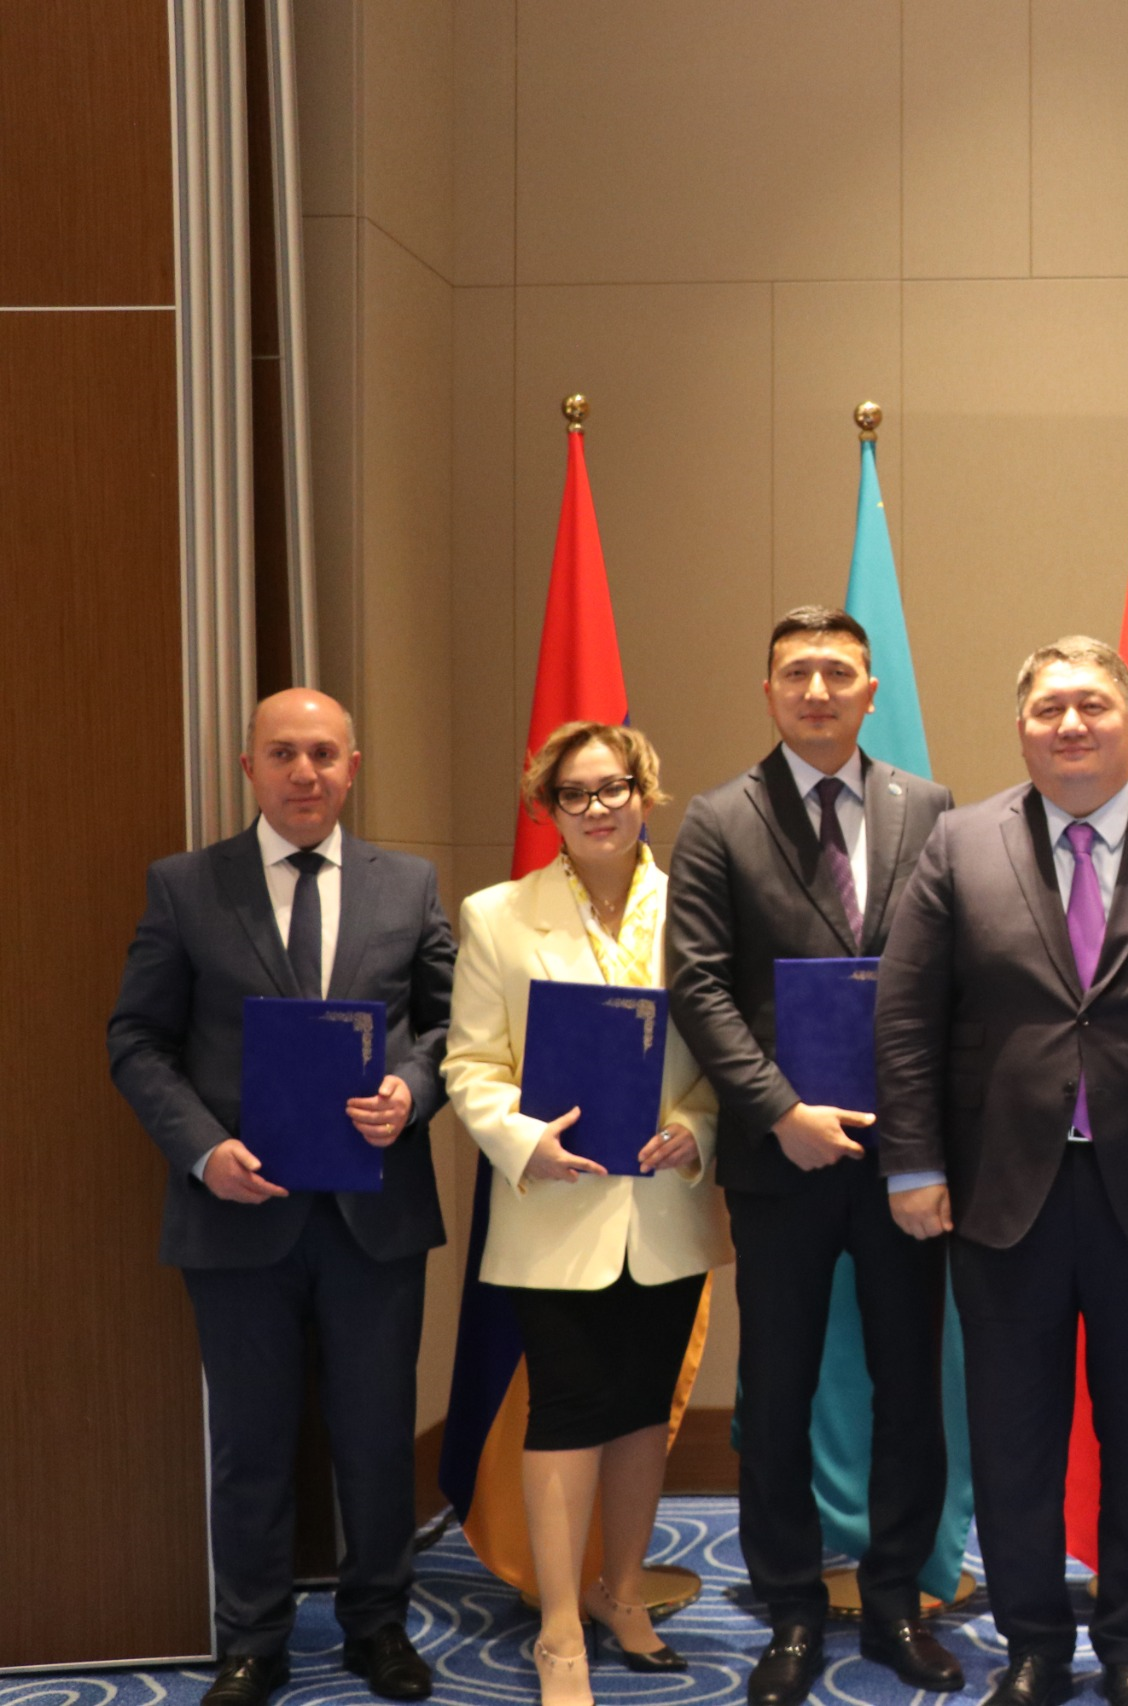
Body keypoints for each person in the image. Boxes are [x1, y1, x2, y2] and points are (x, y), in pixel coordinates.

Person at [873, 636, 1128, 1706]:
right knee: (1012, 1432)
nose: (1072, 724)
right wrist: (911, 1160)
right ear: (1021, 728)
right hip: (999, 1191)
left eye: (1093, 704)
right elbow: (908, 1015)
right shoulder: (958, 844)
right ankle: (1032, 1644)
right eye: (1050, 707)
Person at [107, 690, 453, 1706]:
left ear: (354, 767)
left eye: (324, 754)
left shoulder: (410, 884)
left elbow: (455, 1028)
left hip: (373, 1215)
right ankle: (251, 1641)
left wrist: (413, 1092)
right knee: (250, 1441)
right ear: (248, 767)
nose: (305, 772)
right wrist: (202, 1149)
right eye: (284, 753)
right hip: (236, 1211)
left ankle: (378, 1626)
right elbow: (137, 1039)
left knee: (377, 1436)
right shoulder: (184, 886)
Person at [664, 608, 959, 1706]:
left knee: (909, 1388)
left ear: (872, 691)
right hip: (778, 1159)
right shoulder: (718, 817)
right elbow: (697, 983)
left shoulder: (929, 807)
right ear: (769, 691)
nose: (819, 689)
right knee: (777, 1391)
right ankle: (789, 1606)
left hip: (901, 1159)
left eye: (839, 671)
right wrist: (780, 1110)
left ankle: (894, 1603)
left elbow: (953, 975)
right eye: (798, 672)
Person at [443, 721, 729, 1706]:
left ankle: (621, 1589)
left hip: (665, 1208)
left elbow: (728, 1053)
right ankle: (561, 1625)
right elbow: (470, 1064)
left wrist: (697, 1126)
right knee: (568, 1409)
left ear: (645, 794)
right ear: (549, 808)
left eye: (615, 787)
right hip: (554, 1209)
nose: (598, 806)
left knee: (643, 1410)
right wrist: (524, 1140)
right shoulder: (496, 916)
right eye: (576, 793)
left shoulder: (698, 911)